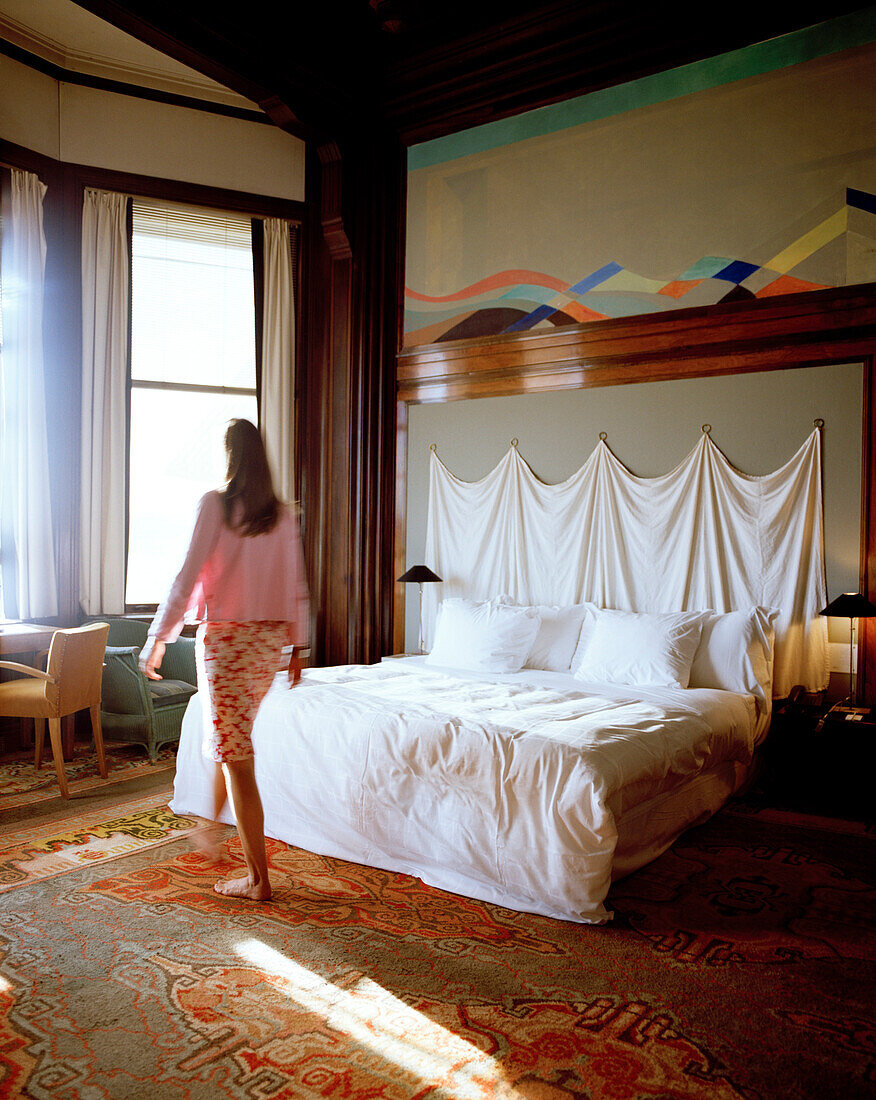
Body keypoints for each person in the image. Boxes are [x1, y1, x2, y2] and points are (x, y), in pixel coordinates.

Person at [138, 419, 309, 901]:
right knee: (230, 738)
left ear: (230, 456)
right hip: (267, 644)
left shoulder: (216, 505)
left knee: (236, 753)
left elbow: (188, 573)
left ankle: (258, 880)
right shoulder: (282, 514)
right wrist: (299, 647)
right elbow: (296, 585)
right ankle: (211, 829)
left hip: (228, 642)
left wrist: (160, 636)